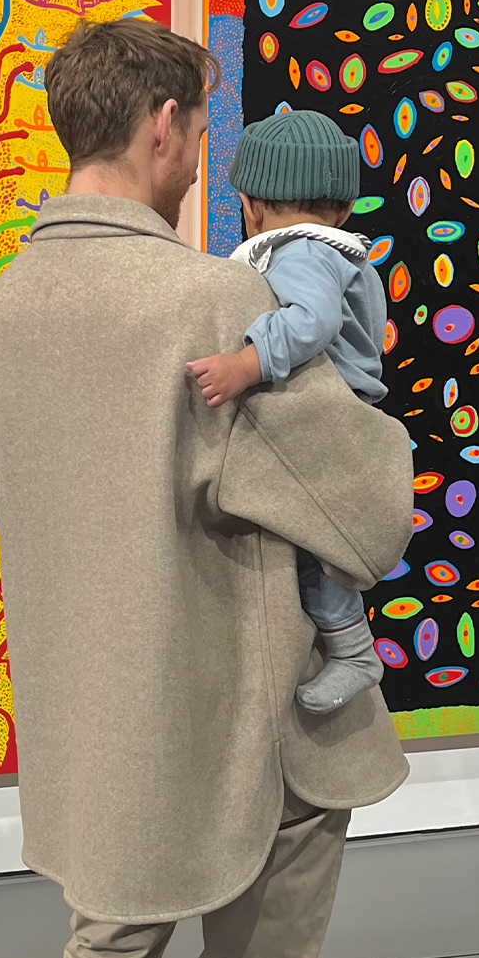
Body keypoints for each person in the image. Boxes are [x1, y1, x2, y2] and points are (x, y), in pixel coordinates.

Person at [0, 17, 413, 958]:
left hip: (106, 731)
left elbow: (21, 503)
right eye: (202, 133)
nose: (203, 161)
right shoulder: (215, 298)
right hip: (247, 725)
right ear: (163, 124)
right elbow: (365, 513)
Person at [187, 110, 387, 715]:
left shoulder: (300, 252)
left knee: (312, 540)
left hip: (323, 419)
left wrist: (246, 364)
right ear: (344, 209)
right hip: (338, 413)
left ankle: (352, 649)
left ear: (251, 205)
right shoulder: (339, 251)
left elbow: (312, 321)